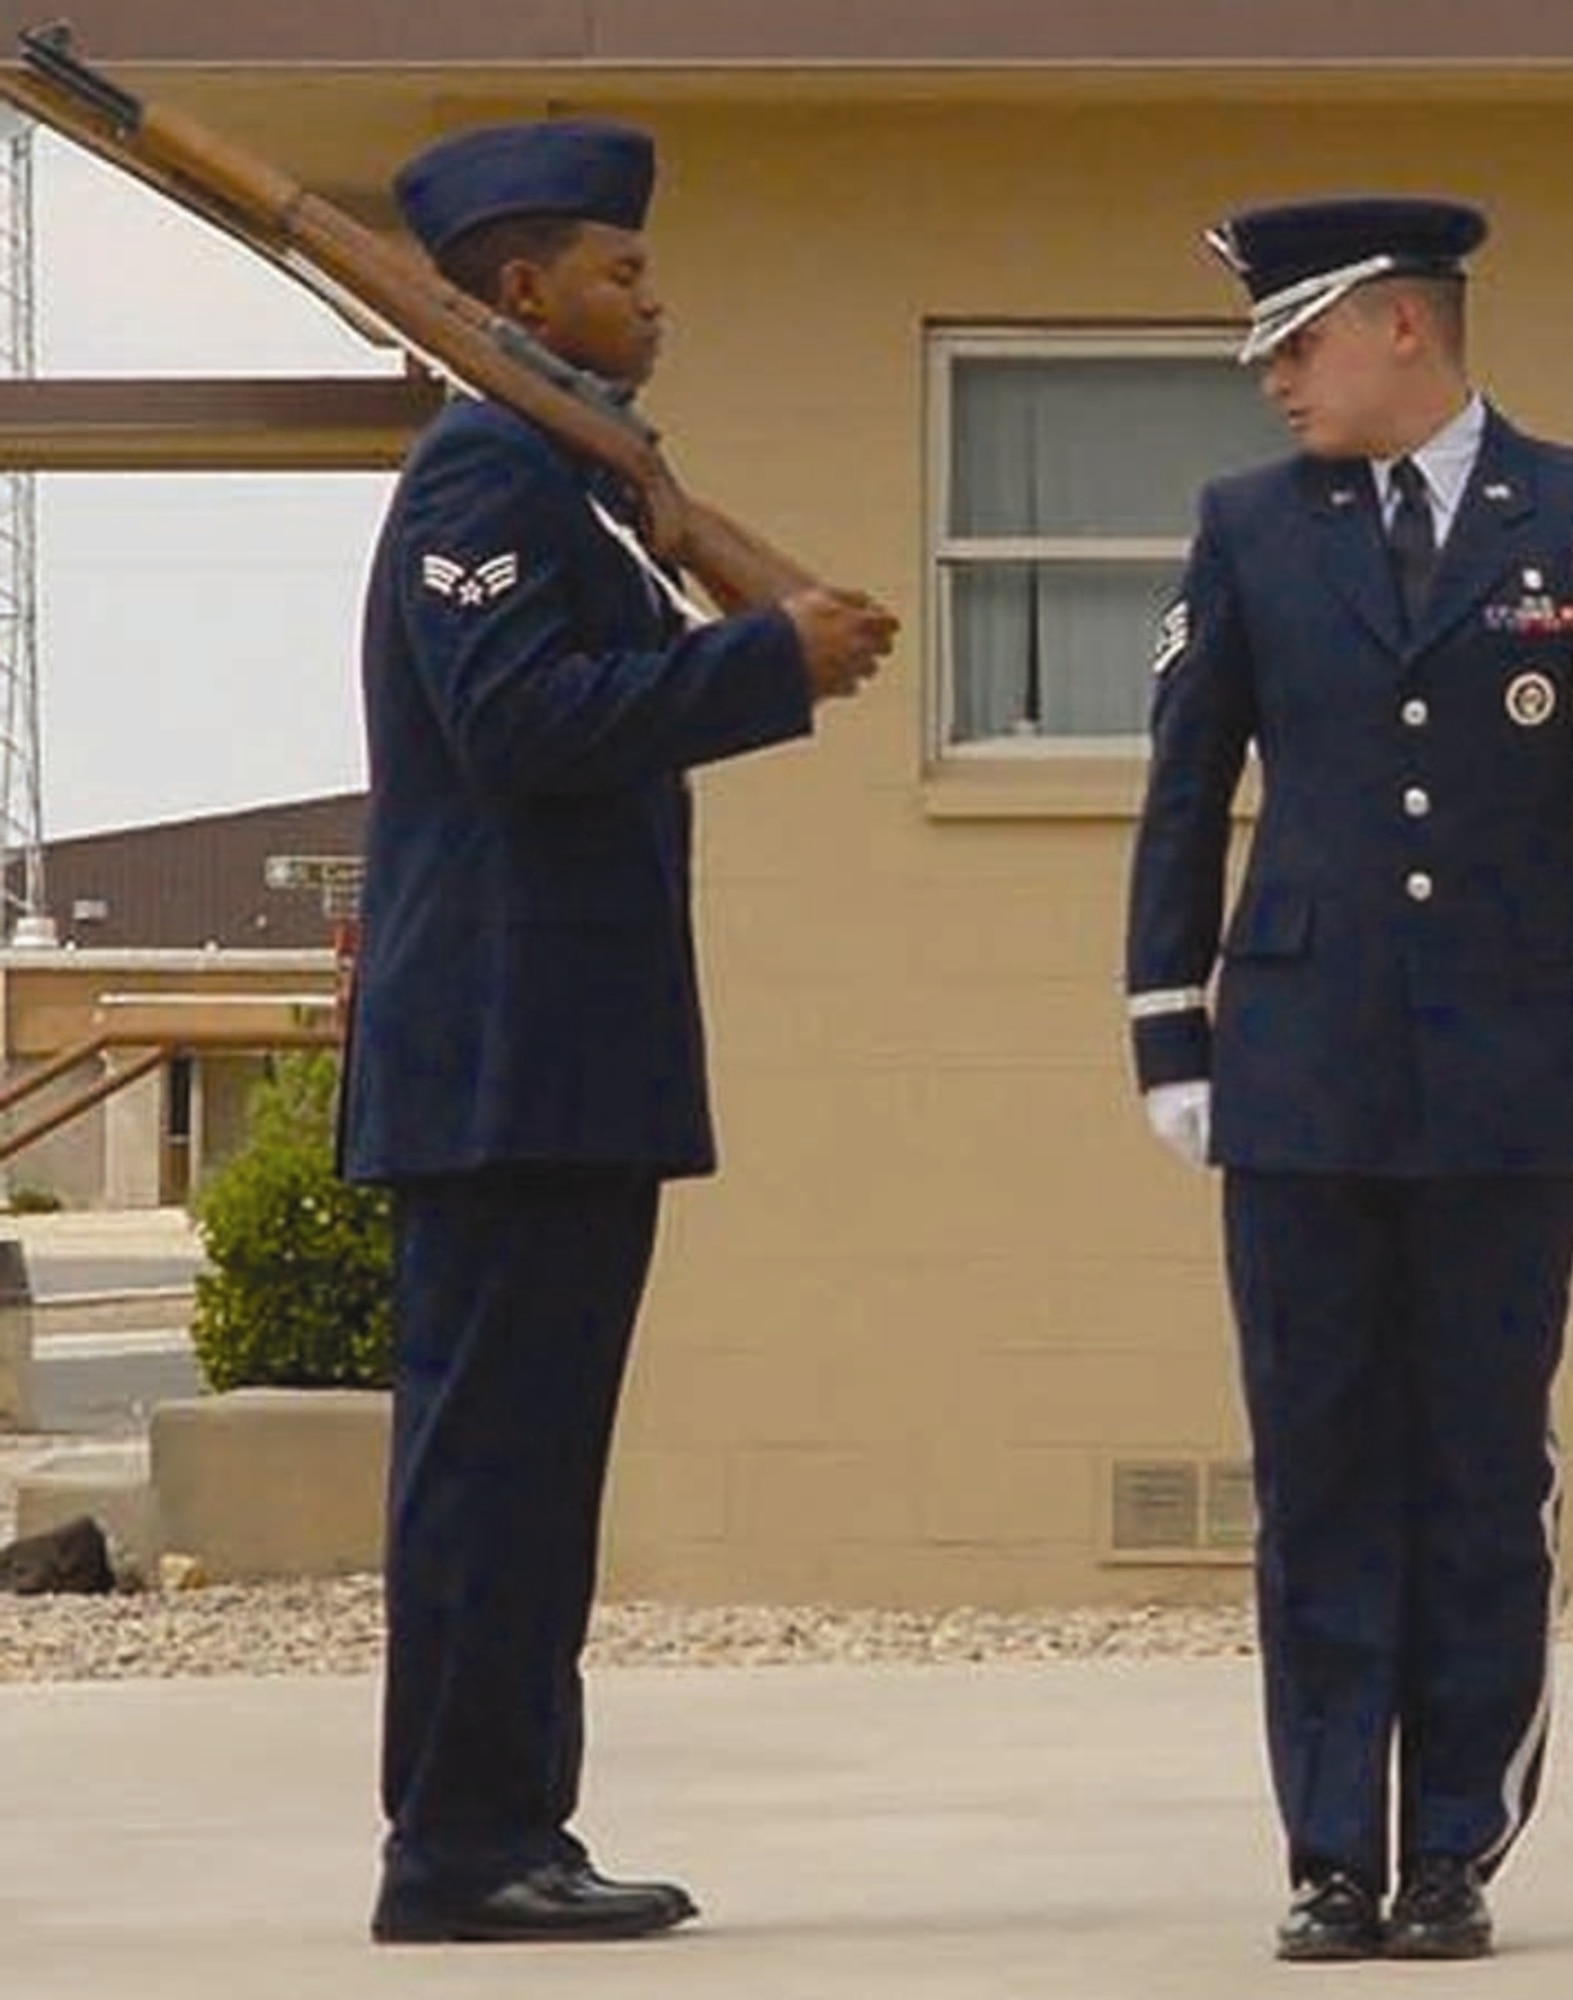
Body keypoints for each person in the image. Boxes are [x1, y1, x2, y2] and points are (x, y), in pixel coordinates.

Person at [1125, 197, 1573, 1962]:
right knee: (1314, 1464)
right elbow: (1181, 785)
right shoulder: (1244, 527)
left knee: (1475, 1466)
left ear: (1396, 325)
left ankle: (1452, 1842)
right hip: (1297, 1062)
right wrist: (1169, 1025)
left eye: (1295, 344)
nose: (1274, 382)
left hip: (1509, 1060)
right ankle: (1326, 1849)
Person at [338, 117, 897, 1945]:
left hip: (555, 1064)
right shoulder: (488, 479)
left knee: (530, 1474)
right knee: (493, 1478)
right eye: (621, 270)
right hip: (503, 1066)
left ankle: (510, 1824)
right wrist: (760, 661)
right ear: (521, 291)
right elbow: (514, 724)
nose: (654, 297)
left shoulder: (574, 480)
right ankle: (458, 1849)